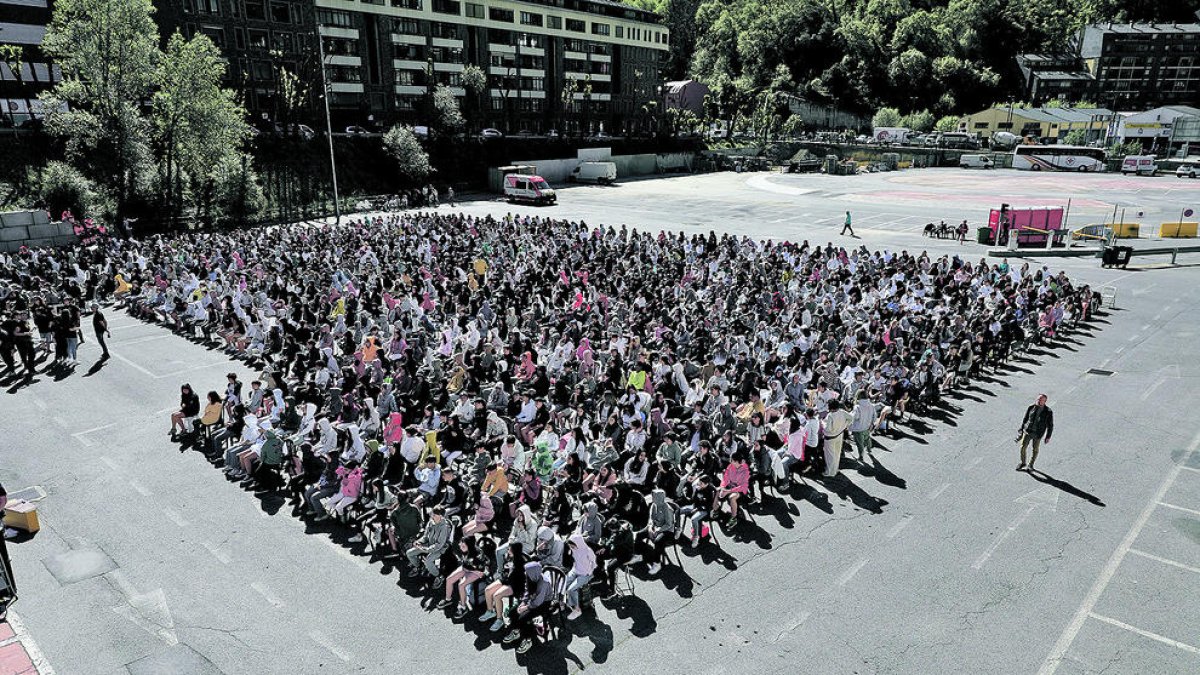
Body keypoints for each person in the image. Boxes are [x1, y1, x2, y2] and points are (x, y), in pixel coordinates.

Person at [1016, 394, 1053, 472]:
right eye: (1038, 399)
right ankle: (1023, 463)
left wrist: (1048, 436)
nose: (1039, 401)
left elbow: (1050, 425)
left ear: (1045, 401)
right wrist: (1021, 429)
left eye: (1041, 400)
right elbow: (1025, 419)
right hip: (1028, 431)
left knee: (1035, 449)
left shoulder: (1048, 411)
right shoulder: (1031, 407)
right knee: (1023, 447)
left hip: (1038, 434)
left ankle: (1031, 465)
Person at [822, 399, 852, 478]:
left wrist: (822, 423)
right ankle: (835, 469)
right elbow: (851, 418)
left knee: (830, 456)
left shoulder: (830, 415)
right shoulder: (842, 412)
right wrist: (845, 426)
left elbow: (828, 429)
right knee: (837, 454)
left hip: (830, 438)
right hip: (839, 435)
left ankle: (830, 472)